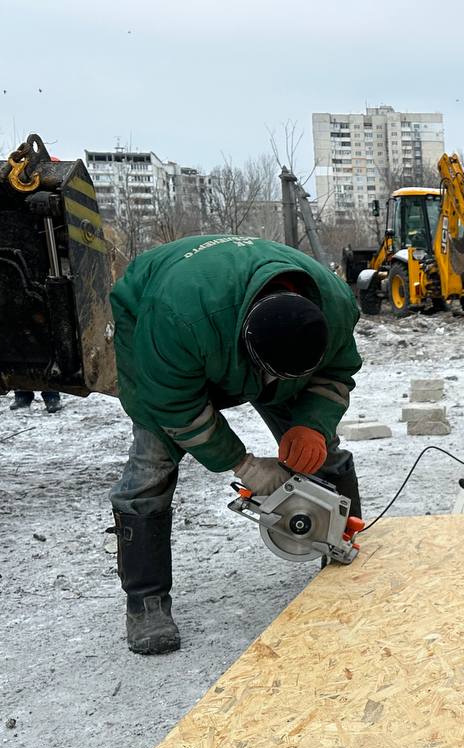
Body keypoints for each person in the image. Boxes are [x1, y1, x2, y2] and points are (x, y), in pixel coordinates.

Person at [109, 234, 363, 656]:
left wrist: (312, 425)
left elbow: (337, 373)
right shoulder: (175, 318)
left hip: (229, 329)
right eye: (269, 376)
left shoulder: (334, 307)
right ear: (246, 342)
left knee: (323, 451)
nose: (272, 389)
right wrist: (244, 465)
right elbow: (177, 408)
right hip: (159, 328)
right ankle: (146, 602)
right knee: (150, 469)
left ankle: (344, 539)